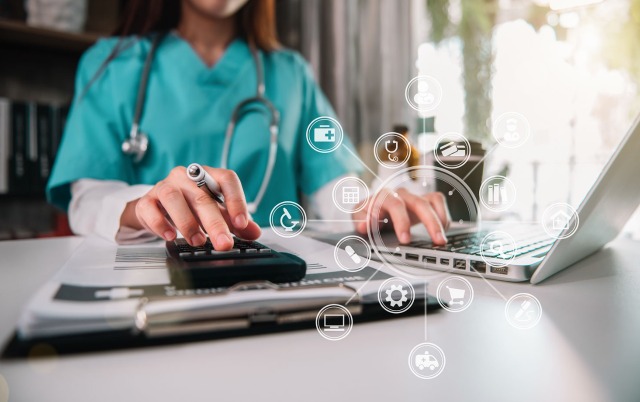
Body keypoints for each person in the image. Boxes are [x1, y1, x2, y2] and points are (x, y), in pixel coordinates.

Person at [46, 0, 451, 251]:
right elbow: (88, 199)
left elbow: (333, 186)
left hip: (276, 281)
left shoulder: (291, 74)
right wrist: (147, 206)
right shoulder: (112, 65)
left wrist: (373, 204)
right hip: (152, 276)